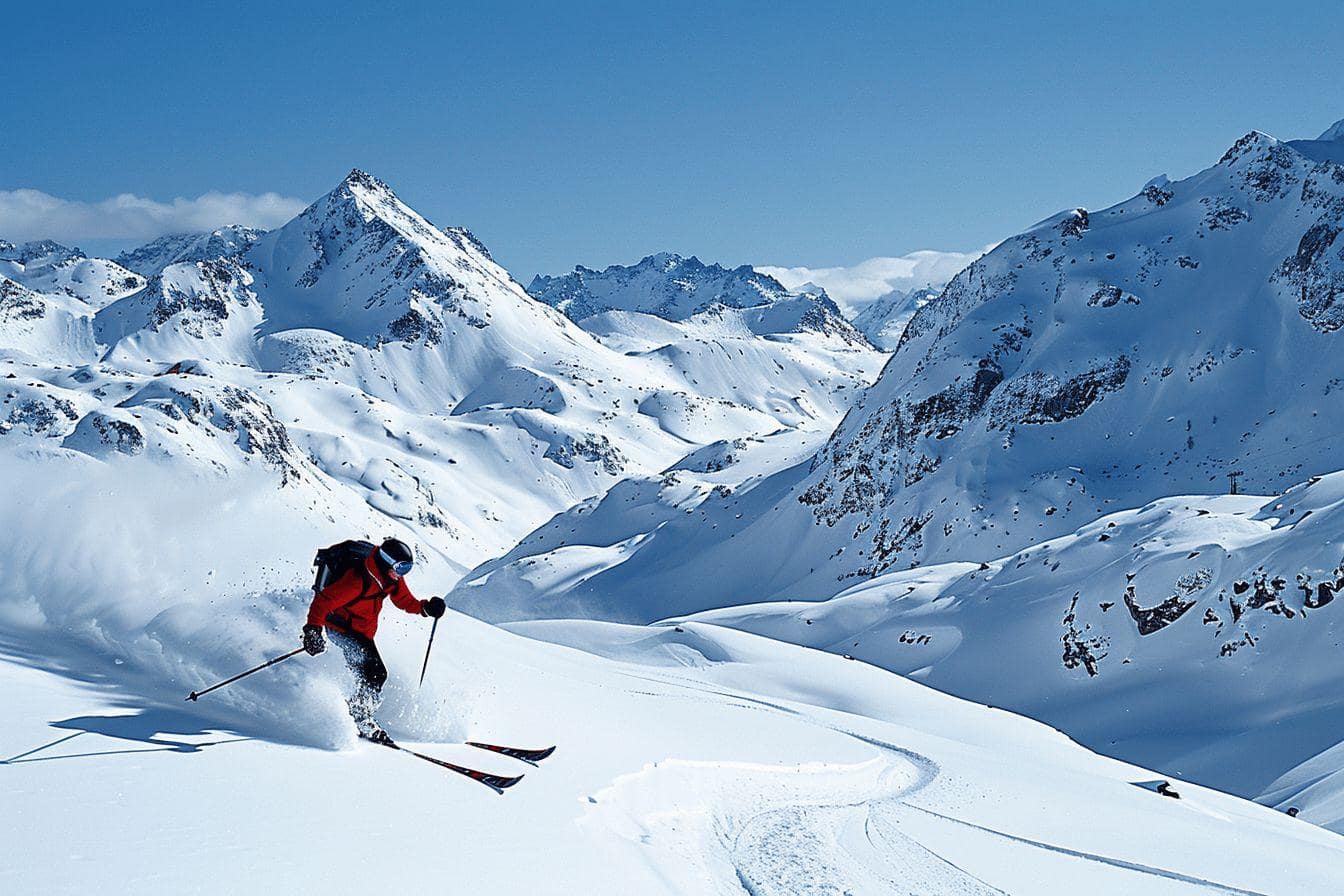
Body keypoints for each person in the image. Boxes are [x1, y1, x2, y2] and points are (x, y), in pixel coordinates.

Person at [302, 538, 446, 743]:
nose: (403, 573)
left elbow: (404, 600)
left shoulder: (391, 578)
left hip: (362, 631)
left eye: (407, 568)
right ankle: (360, 717)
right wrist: (313, 629)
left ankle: (355, 710)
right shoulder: (357, 580)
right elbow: (324, 601)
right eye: (401, 567)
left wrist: (425, 608)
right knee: (375, 673)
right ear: (387, 562)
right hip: (341, 628)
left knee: (371, 673)